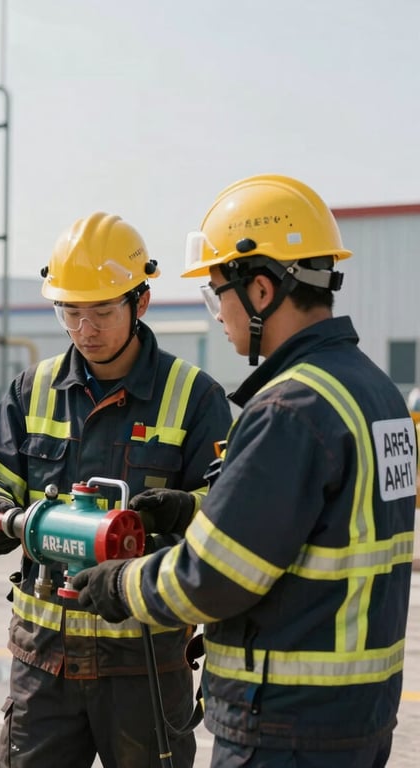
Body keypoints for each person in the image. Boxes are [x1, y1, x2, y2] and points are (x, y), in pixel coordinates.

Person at [72, 175, 418, 768]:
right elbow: (316, 522)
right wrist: (195, 509)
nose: (217, 315)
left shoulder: (291, 407)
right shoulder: (375, 392)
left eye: (216, 294)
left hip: (284, 722)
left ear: (260, 289)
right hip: (357, 714)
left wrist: (119, 586)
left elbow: (213, 577)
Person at [0, 211, 233, 768]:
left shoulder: (194, 397)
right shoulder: (31, 389)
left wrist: (179, 512)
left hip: (146, 664)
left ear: (141, 302)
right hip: (43, 663)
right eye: (71, 311)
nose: (86, 328)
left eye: (103, 311)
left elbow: (229, 513)